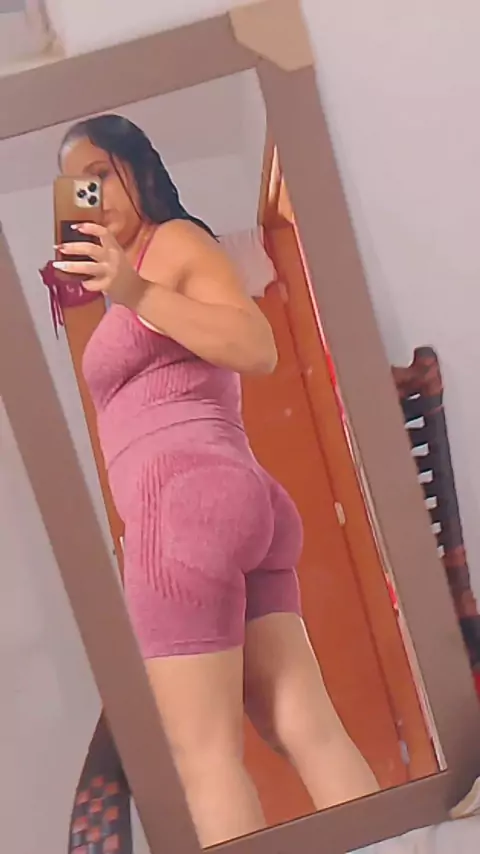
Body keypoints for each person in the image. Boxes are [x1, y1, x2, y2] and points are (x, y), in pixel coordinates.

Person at [55, 114, 378, 849]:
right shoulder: (138, 272)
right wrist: (123, 288)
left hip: (182, 509)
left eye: (101, 175)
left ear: (140, 167)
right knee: (300, 723)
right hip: (235, 500)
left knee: (199, 758)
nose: (92, 196)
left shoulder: (171, 244)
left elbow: (256, 346)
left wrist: (134, 291)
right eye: (78, 188)